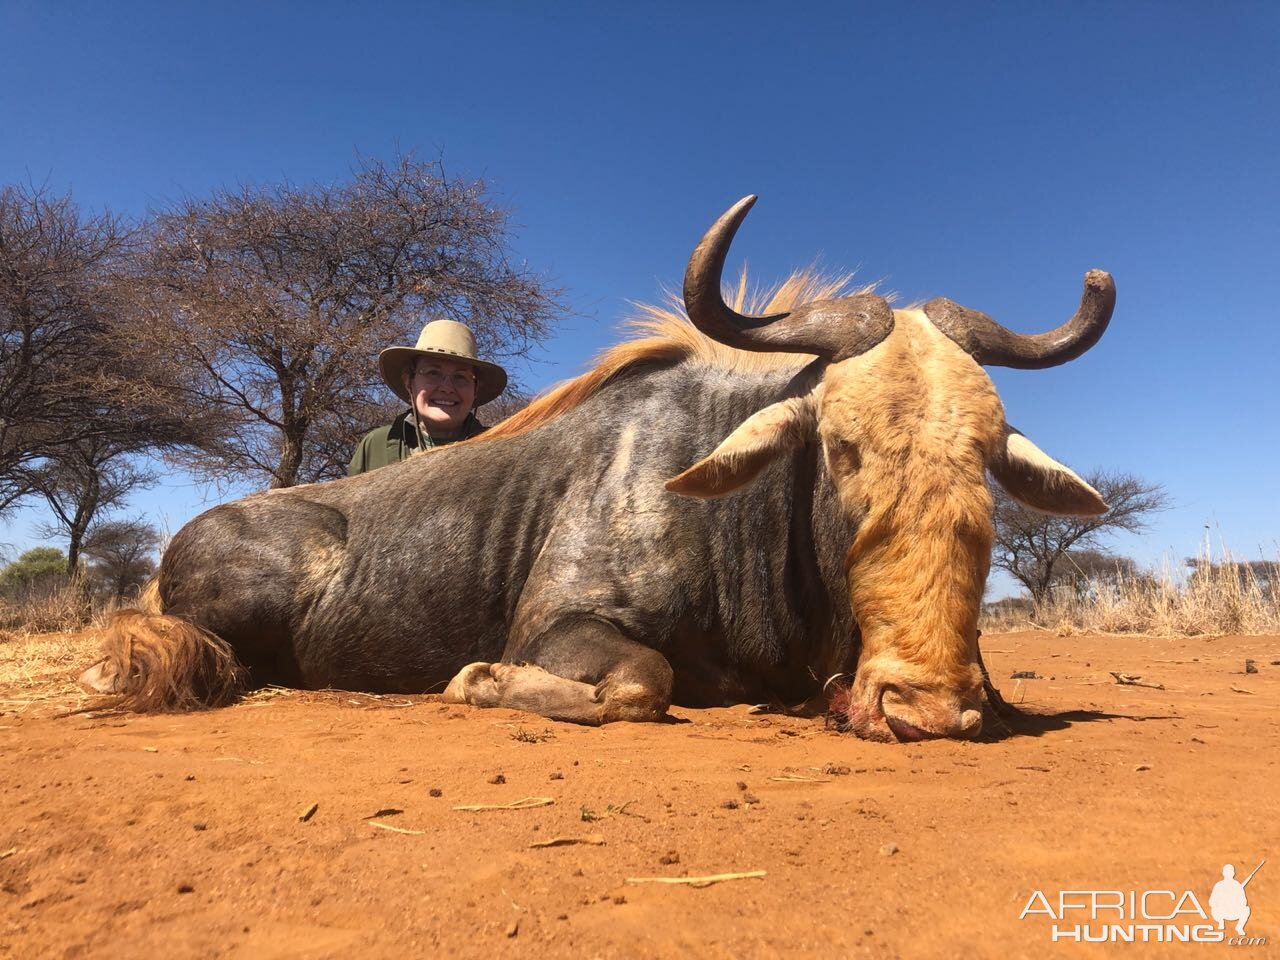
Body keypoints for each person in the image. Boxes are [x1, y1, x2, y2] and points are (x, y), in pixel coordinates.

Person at [348, 319, 507, 475]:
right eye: (433, 373)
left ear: (476, 389)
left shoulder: (500, 452)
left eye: (460, 377)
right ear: (409, 381)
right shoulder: (375, 445)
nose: (447, 388)